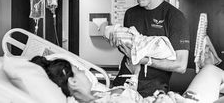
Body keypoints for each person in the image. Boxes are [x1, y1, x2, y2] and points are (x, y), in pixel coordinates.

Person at [109, 0, 190, 97]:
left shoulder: (175, 16)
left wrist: (143, 59)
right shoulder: (130, 14)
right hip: (124, 81)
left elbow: (181, 65)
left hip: (152, 89)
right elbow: (131, 48)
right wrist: (118, 42)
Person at [30, 56, 224, 103]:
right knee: (211, 71)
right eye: (78, 70)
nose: (84, 71)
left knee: (213, 74)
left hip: (169, 99)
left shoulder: (96, 94)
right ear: (71, 81)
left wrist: (136, 73)